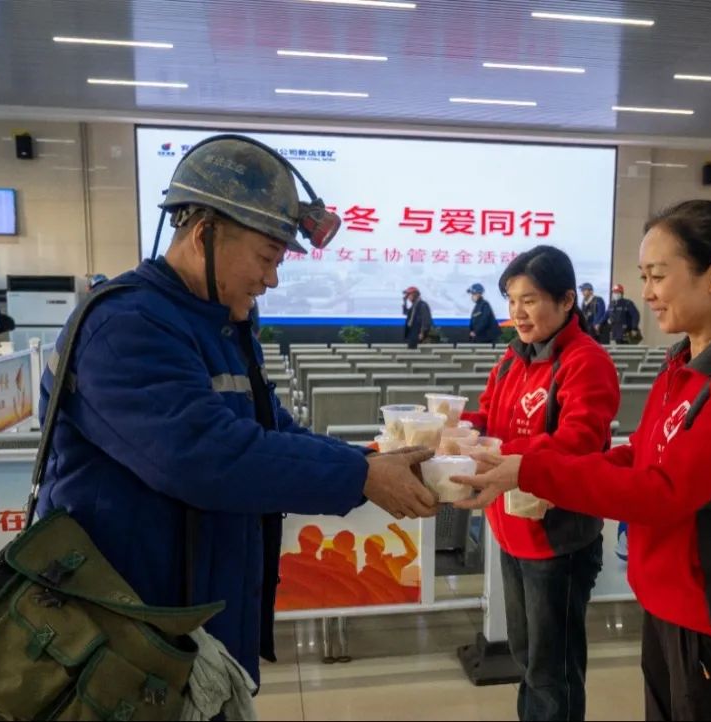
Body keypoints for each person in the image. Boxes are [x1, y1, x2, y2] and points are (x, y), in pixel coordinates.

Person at [35, 134, 438, 688]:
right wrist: (360, 476)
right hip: (127, 631)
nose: (272, 279)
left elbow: (270, 429)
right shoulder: (126, 326)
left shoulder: (215, 323)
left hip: (193, 618)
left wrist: (370, 460)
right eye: (267, 257)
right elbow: (206, 457)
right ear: (204, 234)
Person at [453, 199, 711, 722]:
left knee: (553, 672)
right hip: (667, 596)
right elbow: (637, 456)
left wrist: (529, 469)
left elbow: (665, 491)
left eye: (657, 275)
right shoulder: (683, 363)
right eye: (644, 276)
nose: (646, 293)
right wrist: (519, 465)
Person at [463, 245, 620, 721]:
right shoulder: (513, 359)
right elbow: (488, 417)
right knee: (527, 657)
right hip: (511, 531)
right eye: (512, 300)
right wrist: (457, 430)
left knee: (553, 671)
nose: (517, 312)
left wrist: (506, 454)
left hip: (558, 541)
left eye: (529, 300)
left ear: (567, 300)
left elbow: (580, 440)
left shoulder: (585, 361)